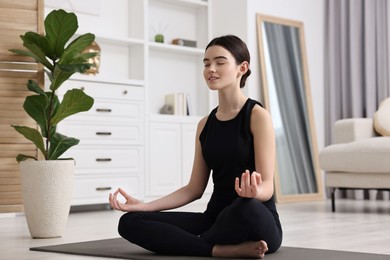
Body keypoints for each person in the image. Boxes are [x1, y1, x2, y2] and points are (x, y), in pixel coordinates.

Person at [109, 35, 283, 259]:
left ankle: (196, 243)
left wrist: (254, 192)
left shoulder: (258, 116)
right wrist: (144, 206)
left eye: (220, 62)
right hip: (214, 219)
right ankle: (218, 249)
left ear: (242, 68)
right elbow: (193, 189)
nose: (211, 69)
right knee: (130, 221)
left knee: (244, 207)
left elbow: (268, 186)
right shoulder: (204, 125)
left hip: (253, 215)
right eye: (206, 63)